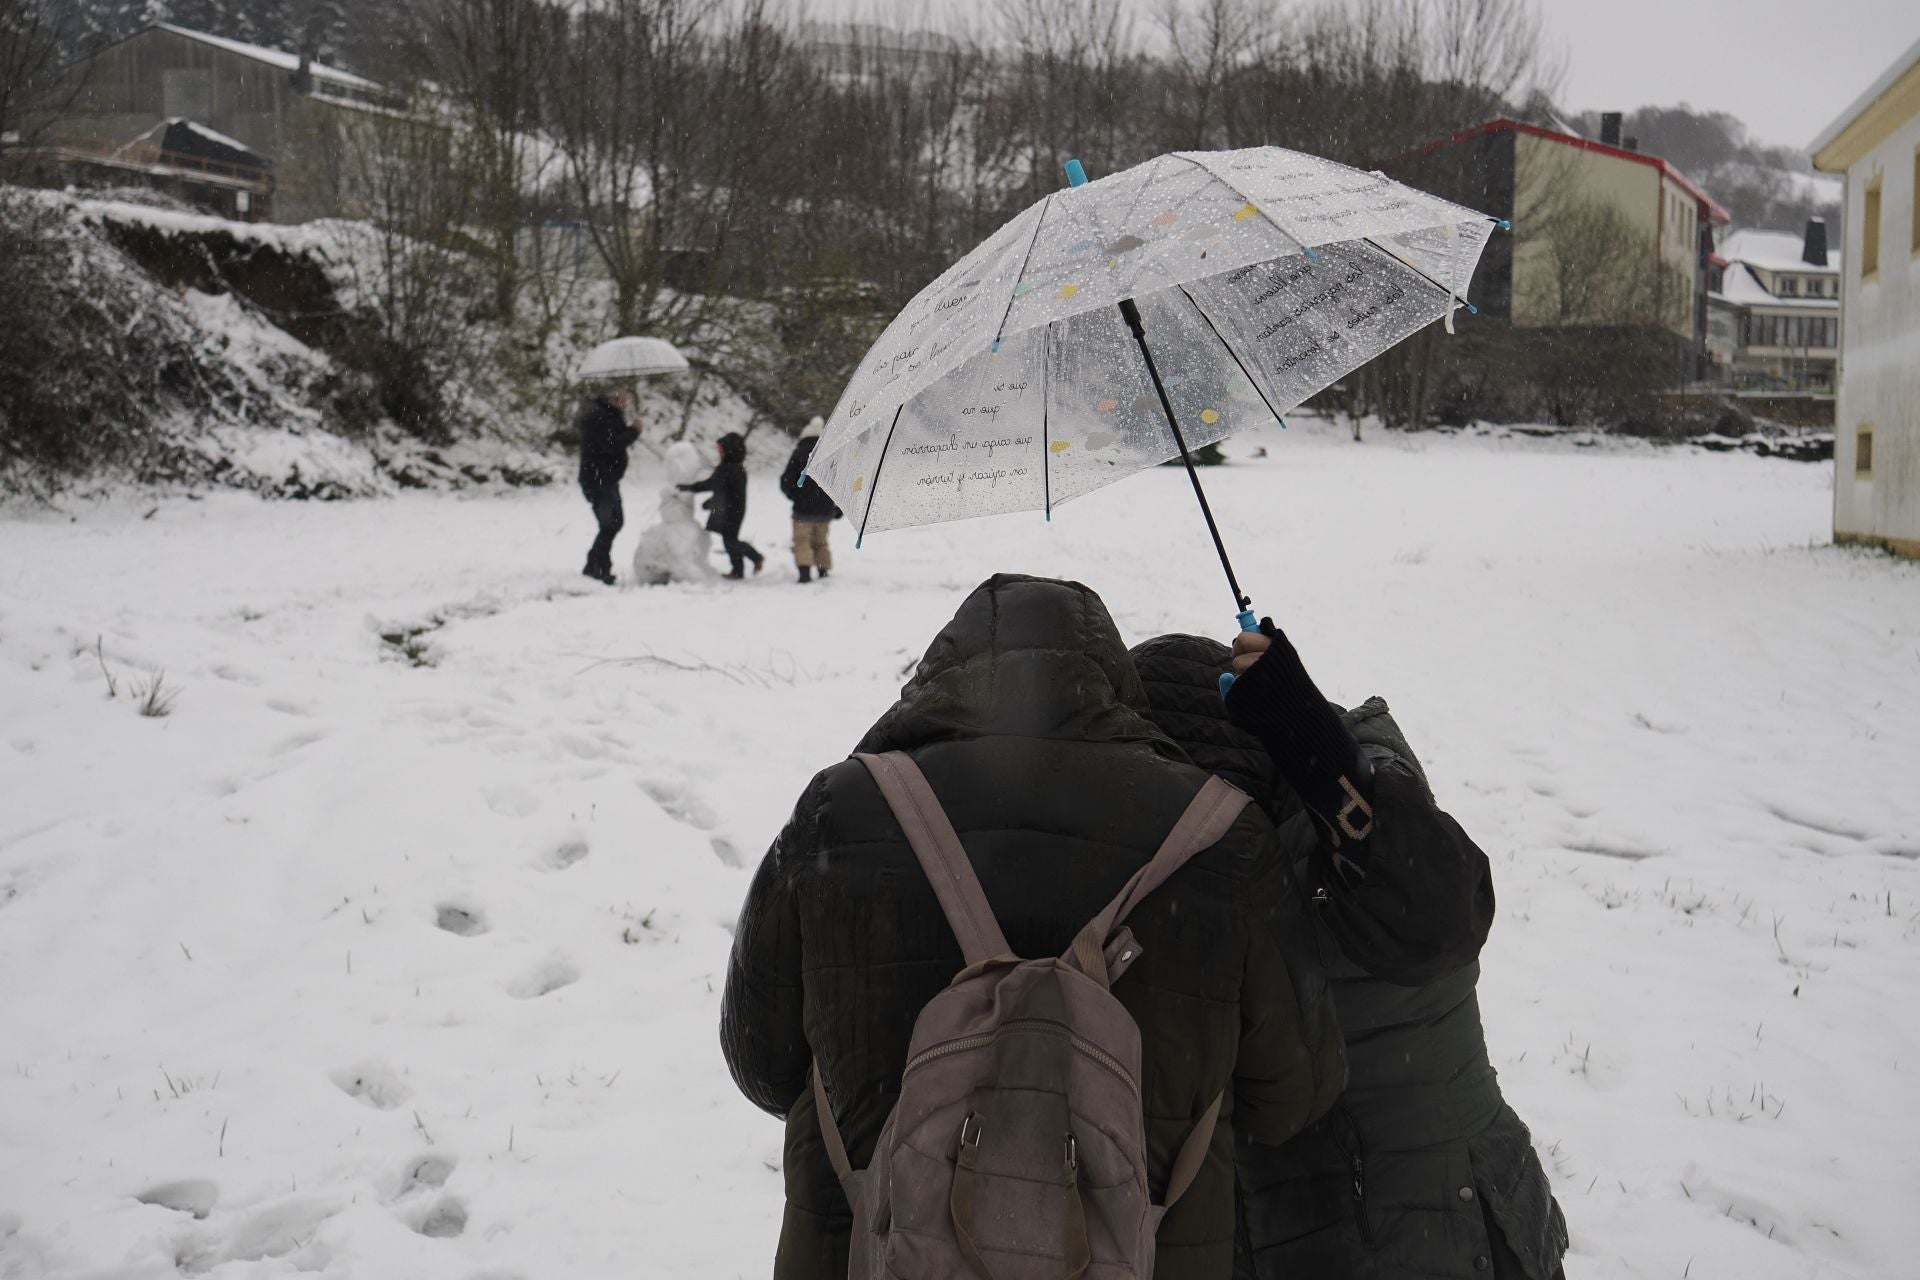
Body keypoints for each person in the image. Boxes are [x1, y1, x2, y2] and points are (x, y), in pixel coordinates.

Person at [720, 575, 1346, 1280]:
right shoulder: (1222, 836)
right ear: (1113, 681)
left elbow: (761, 1059)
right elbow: (1295, 1092)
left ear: (938, 675)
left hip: (866, 1248)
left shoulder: (842, 810)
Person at [1129, 628, 1570, 1280]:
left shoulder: (1349, 815)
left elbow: (1442, 909)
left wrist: (1319, 755)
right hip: (1311, 1241)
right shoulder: (1195, 880)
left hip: (1450, 1232)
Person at [576, 385, 639, 585]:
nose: (626, 400)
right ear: (612, 397)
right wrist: (633, 431)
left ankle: (596, 563)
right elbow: (611, 444)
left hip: (606, 478)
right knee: (611, 523)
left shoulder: (609, 415)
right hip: (598, 479)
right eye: (623, 396)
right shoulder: (600, 416)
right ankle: (597, 566)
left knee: (613, 522)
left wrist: (629, 431)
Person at [680, 432, 763, 579]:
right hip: (732, 509)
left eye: (721, 449)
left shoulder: (729, 468)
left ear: (730, 450)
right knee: (729, 540)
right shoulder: (734, 467)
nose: (719, 452)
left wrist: (690, 488)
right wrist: (711, 502)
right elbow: (722, 489)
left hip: (731, 511)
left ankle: (755, 557)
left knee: (730, 542)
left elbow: (712, 484)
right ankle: (738, 571)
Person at [778, 416, 841, 584]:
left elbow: (786, 480)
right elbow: (838, 481)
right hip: (825, 509)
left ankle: (804, 572)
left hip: (802, 509)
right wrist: (837, 506)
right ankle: (823, 570)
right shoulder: (832, 452)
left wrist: (794, 495)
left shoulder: (799, 452)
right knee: (821, 541)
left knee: (802, 540)